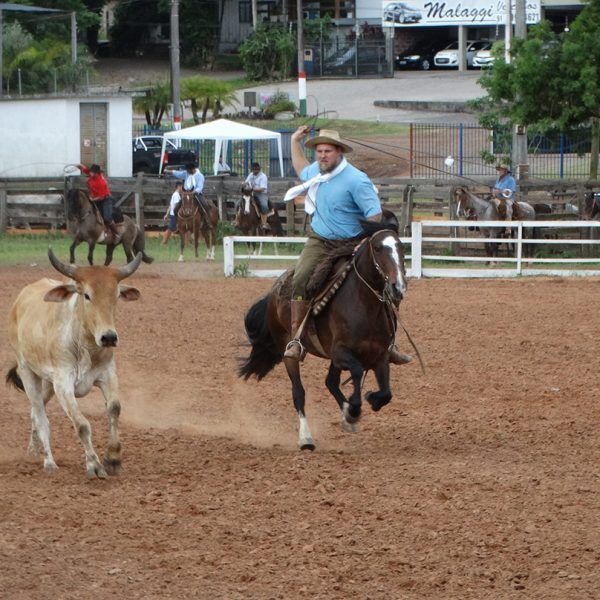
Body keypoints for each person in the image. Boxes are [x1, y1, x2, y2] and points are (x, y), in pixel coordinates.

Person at [282, 126, 411, 365]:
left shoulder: (356, 180)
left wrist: (364, 240)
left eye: (327, 151)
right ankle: (297, 340)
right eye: (319, 151)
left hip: (351, 241)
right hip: (320, 241)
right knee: (300, 278)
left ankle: (389, 343)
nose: (322, 155)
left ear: (339, 152)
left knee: (387, 281)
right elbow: (301, 168)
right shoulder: (318, 172)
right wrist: (294, 142)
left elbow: (374, 214)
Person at [77, 163, 120, 240]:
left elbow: (102, 197)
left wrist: (92, 199)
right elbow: (85, 170)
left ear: (96, 173)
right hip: (95, 198)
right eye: (90, 172)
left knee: (107, 217)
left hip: (105, 200)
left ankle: (117, 234)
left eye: (91, 172)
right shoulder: (93, 175)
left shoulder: (102, 182)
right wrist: (80, 167)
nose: (89, 173)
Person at [244, 162, 270, 230]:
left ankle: (264, 223)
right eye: (253, 169)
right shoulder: (251, 175)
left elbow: (262, 188)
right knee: (240, 202)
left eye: (256, 169)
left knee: (264, 205)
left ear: (258, 169)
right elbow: (246, 182)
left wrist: (253, 189)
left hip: (261, 194)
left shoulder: (263, 176)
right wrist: (244, 184)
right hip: (251, 193)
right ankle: (238, 219)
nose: (254, 171)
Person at [162, 180, 183, 245]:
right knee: (170, 229)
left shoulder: (175, 194)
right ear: (178, 187)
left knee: (174, 228)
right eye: (181, 186)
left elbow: (170, 206)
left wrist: (166, 214)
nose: (182, 188)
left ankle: (183, 242)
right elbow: (177, 206)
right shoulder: (176, 195)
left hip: (173, 214)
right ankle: (163, 243)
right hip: (175, 215)